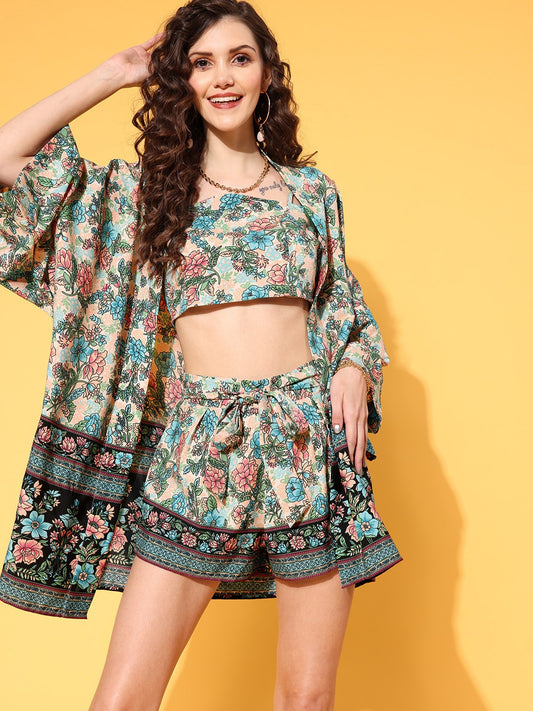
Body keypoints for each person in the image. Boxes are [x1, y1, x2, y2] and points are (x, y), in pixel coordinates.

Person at [0, 0, 403, 708]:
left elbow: (343, 307)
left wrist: (352, 365)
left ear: (267, 73)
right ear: (180, 80)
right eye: (201, 62)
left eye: (239, 59)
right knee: (122, 700)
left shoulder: (310, 192)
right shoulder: (143, 196)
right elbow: (6, 159)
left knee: (307, 698)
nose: (222, 78)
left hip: (307, 442)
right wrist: (115, 71)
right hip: (201, 446)